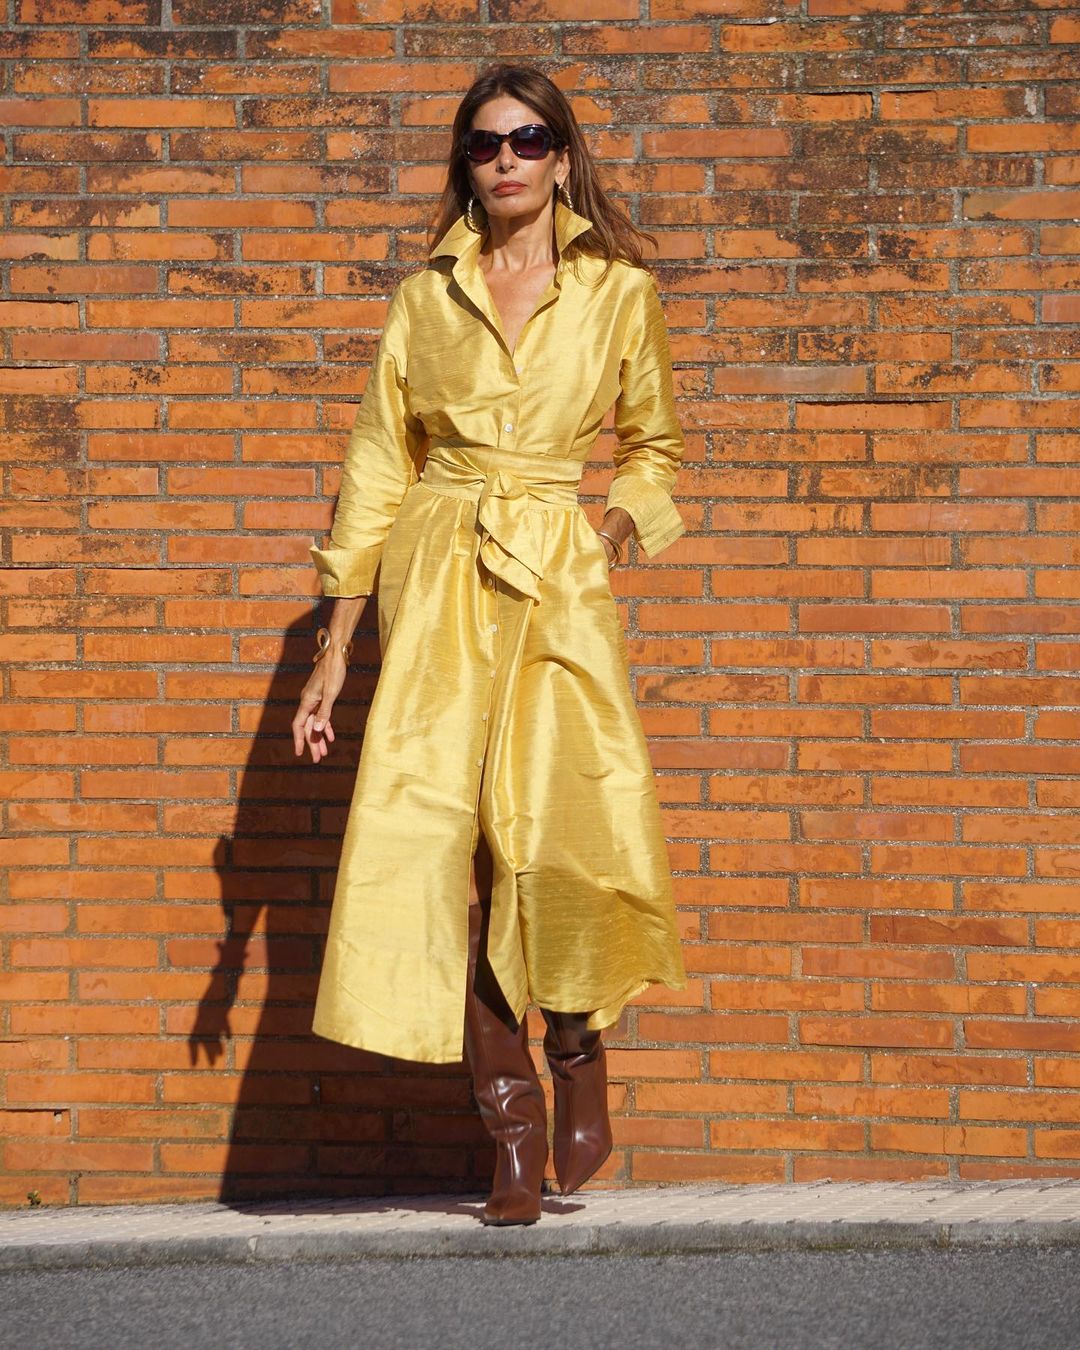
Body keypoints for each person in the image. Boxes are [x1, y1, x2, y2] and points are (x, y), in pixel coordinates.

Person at [291, 63, 688, 1227]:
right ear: (464, 164)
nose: (505, 159)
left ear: (563, 157)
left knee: (560, 839)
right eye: (483, 143)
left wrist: (610, 528)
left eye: (527, 139)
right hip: (437, 578)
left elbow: (655, 447)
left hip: (557, 579)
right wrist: (332, 648)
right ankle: (511, 1129)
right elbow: (377, 470)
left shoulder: (620, 292)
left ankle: (577, 1050)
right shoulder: (426, 301)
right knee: (453, 857)